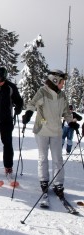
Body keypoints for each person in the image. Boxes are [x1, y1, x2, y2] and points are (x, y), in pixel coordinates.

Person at [22, 69, 79, 199]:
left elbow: (66, 112)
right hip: (42, 129)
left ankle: (58, 184)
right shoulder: (42, 92)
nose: (63, 84)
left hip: (56, 131)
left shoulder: (62, 95)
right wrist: (28, 114)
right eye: (62, 82)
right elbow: (32, 104)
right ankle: (44, 181)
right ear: (55, 80)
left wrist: (71, 122)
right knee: (43, 157)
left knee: (58, 158)